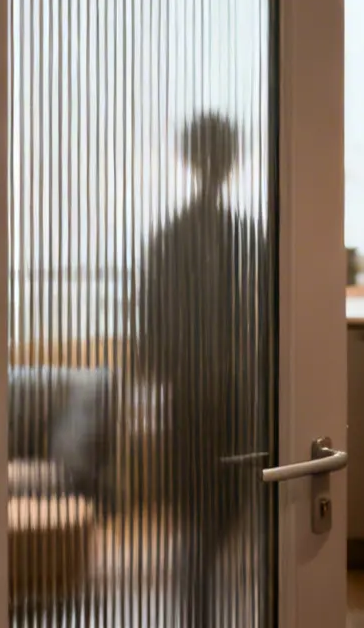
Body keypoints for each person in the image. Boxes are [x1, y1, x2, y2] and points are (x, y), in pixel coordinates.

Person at [133, 111, 273, 626]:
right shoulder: (178, 238)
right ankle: (199, 607)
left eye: (222, 153)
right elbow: (151, 323)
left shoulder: (240, 235)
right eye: (211, 153)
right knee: (200, 514)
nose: (217, 163)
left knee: (217, 511)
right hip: (199, 395)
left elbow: (265, 320)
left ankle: (206, 602)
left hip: (228, 394)